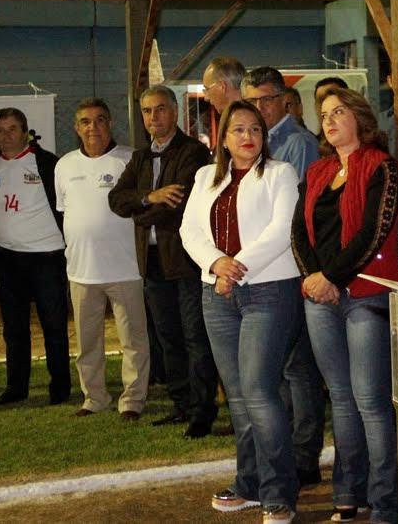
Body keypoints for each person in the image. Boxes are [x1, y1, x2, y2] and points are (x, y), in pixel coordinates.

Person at [181, 101, 301, 523]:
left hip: (269, 290)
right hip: (217, 293)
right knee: (237, 396)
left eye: (255, 129)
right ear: (223, 138)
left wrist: (235, 268)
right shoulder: (205, 177)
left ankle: (279, 493)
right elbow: (189, 230)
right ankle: (249, 483)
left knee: (259, 391)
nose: (248, 136)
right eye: (238, 129)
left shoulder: (281, 174)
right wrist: (216, 263)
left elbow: (281, 231)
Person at [291, 86, 398, 523]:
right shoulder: (317, 171)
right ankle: (348, 494)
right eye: (324, 115)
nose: (330, 120)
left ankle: (385, 504)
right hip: (321, 298)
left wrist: (331, 277)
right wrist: (313, 278)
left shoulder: (381, 166)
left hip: (367, 295)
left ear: (359, 116)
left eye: (339, 111)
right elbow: (298, 232)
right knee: (340, 398)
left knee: (371, 401)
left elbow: (373, 234)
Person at [108, 85, 217, 435]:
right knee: (168, 337)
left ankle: (202, 412)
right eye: (147, 111)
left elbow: (180, 204)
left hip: (186, 260)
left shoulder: (193, 151)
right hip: (152, 261)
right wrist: (149, 197)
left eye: (160, 109)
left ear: (174, 111)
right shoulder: (141, 157)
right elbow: (116, 199)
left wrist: (140, 210)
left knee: (194, 337)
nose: (153, 117)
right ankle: (181, 404)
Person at [242, 67, 324, 487]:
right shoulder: (253, 144)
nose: (260, 107)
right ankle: (287, 451)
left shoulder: (298, 144)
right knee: (278, 370)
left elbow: (301, 215)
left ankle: (304, 455)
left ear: (284, 101)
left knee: (299, 368)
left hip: (294, 268)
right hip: (263, 270)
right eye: (252, 101)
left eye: (267, 99)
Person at [56, 98, 149, 421]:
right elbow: (66, 211)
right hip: (81, 271)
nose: (92, 127)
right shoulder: (64, 165)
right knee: (87, 343)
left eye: (99, 120)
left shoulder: (130, 159)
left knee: (134, 341)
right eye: (85, 121)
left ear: (110, 123)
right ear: (76, 127)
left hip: (126, 268)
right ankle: (94, 397)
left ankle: (132, 400)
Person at [0, 108, 71, 407]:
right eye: (0, 130)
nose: (6, 135)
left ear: (25, 132)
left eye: (12, 129)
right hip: (8, 259)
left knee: (54, 326)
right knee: (14, 329)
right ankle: (16, 387)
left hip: (46, 256)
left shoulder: (47, 163)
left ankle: (60, 387)